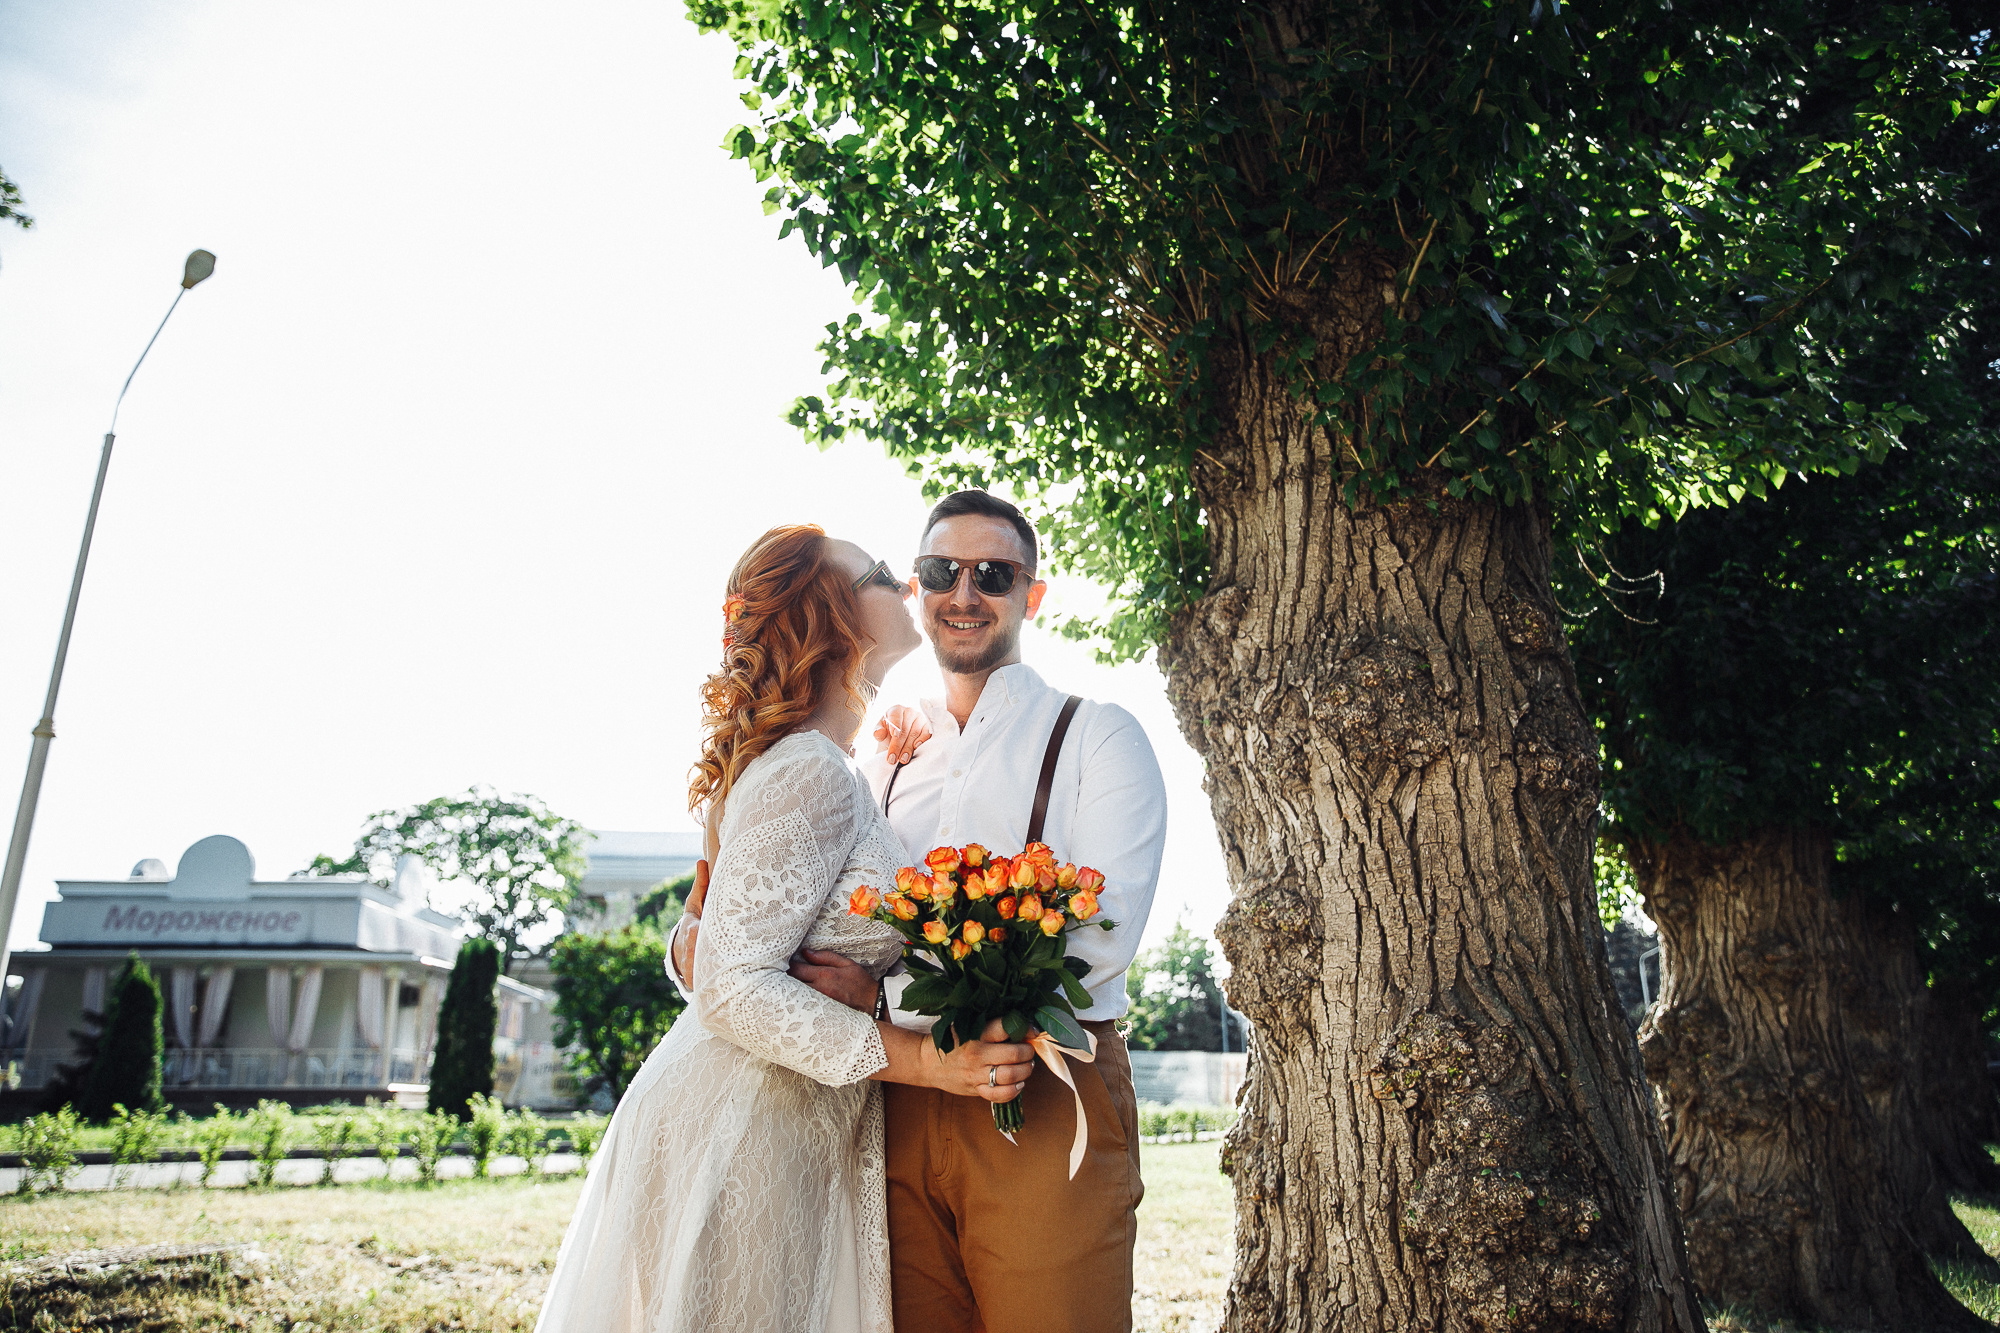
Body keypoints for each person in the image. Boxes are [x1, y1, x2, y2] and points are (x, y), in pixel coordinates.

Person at [675, 492, 1169, 1333]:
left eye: (994, 574)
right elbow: (769, 922)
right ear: (916, 585)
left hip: (1042, 1088)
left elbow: (1097, 944)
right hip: (884, 1113)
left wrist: (879, 1000)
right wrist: (692, 944)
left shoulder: (1097, 736)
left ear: (1032, 595)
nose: (964, 592)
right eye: (942, 571)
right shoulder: (877, 756)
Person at [536, 524, 1036, 1333]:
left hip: (779, 1123)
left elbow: (715, 949)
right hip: (739, 1128)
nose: (909, 584)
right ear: (830, 616)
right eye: (880, 572)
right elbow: (732, 985)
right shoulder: (808, 767)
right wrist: (927, 1062)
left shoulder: (826, 763)